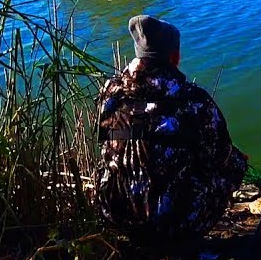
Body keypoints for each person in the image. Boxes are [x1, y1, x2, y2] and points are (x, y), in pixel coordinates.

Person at [95, 14, 248, 244]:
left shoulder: (110, 92)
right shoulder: (192, 101)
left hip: (118, 216)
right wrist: (239, 162)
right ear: (174, 56)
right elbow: (221, 155)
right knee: (233, 164)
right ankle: (181, 238)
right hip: (173, 227)